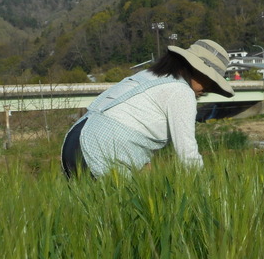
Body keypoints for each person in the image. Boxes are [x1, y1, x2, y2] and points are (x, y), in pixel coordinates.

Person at [61, 39, 234, 179]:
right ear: (191, 67)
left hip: (74, 141)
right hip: (100, 150)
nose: (209, 87)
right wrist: (206, 190)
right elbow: (187, 152)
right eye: (209, 79)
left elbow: (133, 131)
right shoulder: (182, 92)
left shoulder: (149, 75)